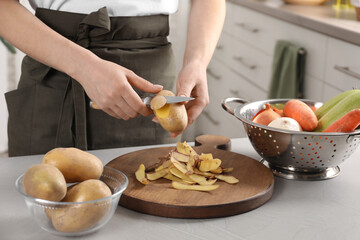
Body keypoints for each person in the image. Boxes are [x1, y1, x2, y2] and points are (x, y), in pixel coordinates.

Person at [0, 0, 225, 157]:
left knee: (152, 197)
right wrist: (83, 66)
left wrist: (197, 61)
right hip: (53, 69)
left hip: (147, 78)